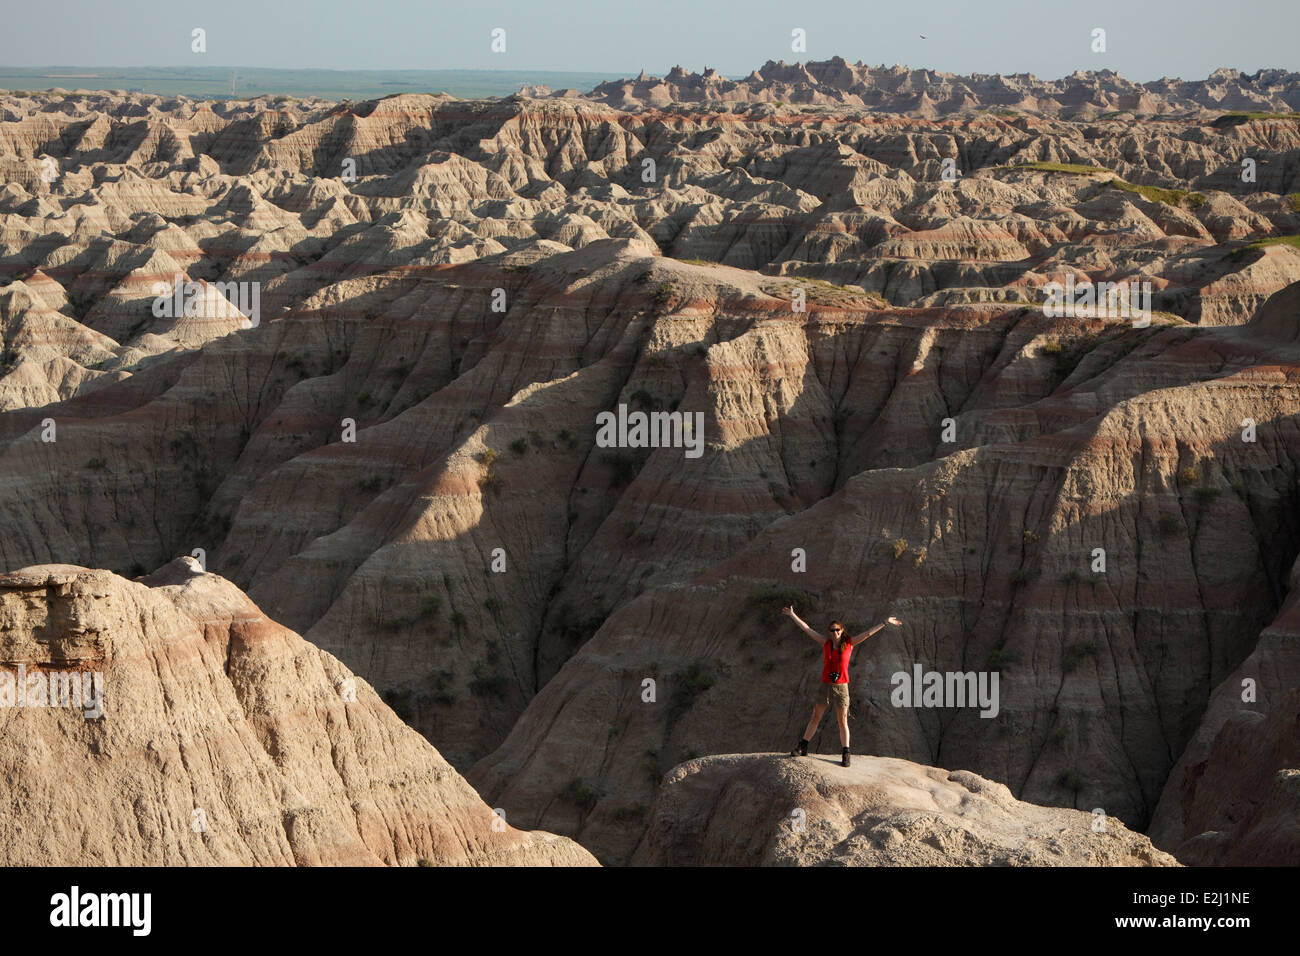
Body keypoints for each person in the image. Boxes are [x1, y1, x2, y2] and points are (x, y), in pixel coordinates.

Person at [781, 606, 901, 766]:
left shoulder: (849, 643)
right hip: (826, 684)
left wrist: (885, 622)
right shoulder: (826, 643)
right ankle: (803, 746)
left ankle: (846, 753)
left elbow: (868, 634)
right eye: (831, 630)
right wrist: (792, 615)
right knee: (815, 717)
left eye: (837, 629)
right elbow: (807, 629)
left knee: (842, 720)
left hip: (842, 686)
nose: (834, 632)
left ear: (842, 630)